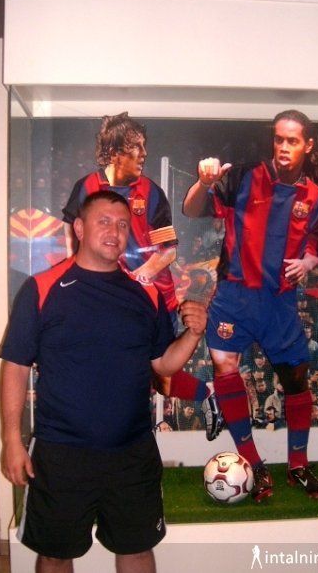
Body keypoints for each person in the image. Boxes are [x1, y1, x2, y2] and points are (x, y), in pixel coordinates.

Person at [0, 191, 207, 573]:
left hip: (132, 453)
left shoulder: (145, 293)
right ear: (79, 228)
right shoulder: (41, 289)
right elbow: (15, 365)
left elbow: (163, 364)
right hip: (61, 453)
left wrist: (193, 335)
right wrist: (11, 440)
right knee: (54, 555)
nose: (115, 231)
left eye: (123, 224)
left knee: (138, 551)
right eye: (105, 222)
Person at [183, 109, 318, 501]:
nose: (283, 147)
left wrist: (308, 263)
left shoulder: (314, 197)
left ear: (307, 145)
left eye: (292, 140)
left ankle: (298, 466)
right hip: (234, 297)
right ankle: (254, 464)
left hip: (279, 302)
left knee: (296, 378)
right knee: (226, 368)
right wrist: (203, 182)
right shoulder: (245, 176)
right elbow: (191, 209)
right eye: (279, 139)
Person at [62, 112, 222, 439]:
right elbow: (70, 230)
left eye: (144, 146)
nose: (144, 154)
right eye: (136, 147)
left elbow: (169, 251)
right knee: (127, 371)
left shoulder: (150, 192)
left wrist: (133, 280)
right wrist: (74, 268)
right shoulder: (87, 187)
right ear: (115, 152)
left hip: (153, 300)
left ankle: (205, 396)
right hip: (106, 301)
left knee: (161, 378)